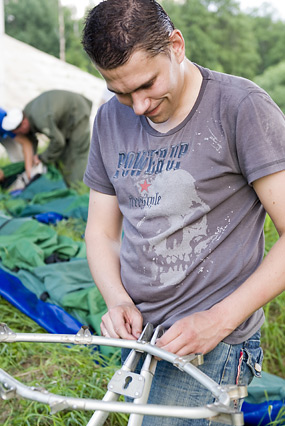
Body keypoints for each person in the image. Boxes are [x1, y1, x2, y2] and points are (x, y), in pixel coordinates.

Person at [81, 0, 285, 424]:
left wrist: (218, 321)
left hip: (214, 340)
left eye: (146, 85)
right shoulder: (107, 122)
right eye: (119, 92)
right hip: (143, 336)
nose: (137, 106)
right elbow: (101, 232)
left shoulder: (240, 108)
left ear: (176, 45)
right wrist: (116, 299)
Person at [2, 90, 92, 186]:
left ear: (23, 124)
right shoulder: (27, 115)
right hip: (61, 118)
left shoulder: (40, 119)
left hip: (77, 111)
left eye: (19, 132)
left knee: (77, 153)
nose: (20, 135)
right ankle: (61, 182)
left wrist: (42, 157)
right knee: (61, 155)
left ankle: (76, 188)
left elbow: (58, 142)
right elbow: (31, 140)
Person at [0, 107, 34, 181]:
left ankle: (26, 175)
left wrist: (29, 170)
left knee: (18, 156)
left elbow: (25, 143)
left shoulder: (2, 120)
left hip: (3, 129)